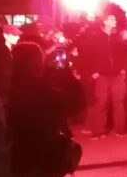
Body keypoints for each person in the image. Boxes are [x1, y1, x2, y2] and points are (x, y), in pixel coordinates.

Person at [7, 42, 81, 176]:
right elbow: (73, 104)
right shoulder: (43, 90)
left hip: (15, 159)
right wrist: (63, 66)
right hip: (43, 157)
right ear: (37, 63)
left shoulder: (6, 86)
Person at [78, 13, 127, 137]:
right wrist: (94, 71)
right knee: (101, 102)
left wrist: (123, 69)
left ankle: (120, 130)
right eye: (112, 19)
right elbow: (88, 56)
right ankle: (98, 131)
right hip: (102, 75)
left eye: (115, 19)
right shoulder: (96, 38)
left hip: (117, 75)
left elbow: (124, 54)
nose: (115, 21)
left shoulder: (118, 38)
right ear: (105, 22)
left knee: (119, 102)